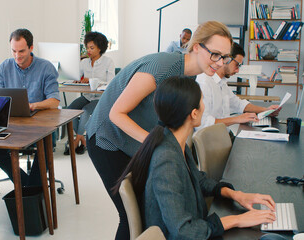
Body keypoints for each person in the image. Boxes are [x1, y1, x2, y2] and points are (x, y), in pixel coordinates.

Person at [86, 21, 234, 239]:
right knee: (130, 216)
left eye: (225, 57)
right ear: (195, 46)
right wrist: (160, 145)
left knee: (149, 211)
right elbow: (116, 114)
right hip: (107, 139)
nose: (220, 63)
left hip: (134, 140)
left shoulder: (189, 75)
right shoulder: (162, 68)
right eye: (215, 54)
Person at [115, 77, 276, 239]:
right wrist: (237, 220)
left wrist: (236, 195)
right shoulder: (166, 159)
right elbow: (183, 230)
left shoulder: (173, 140)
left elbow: (197, 179)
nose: (204, 106)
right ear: (194, 113)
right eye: (202, 101)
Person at [0, 28, 60, 186]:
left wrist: (33, 105)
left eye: (21, 51)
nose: (17, 56)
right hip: (13, 124)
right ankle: (26, 186)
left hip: (40, 126)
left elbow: (54, 101)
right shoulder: (5, 67)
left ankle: (31, 189)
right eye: (13, 51)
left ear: (31, 48)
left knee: (45, 149)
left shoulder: (46, 67)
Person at [195, 42, 280, 132]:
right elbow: (203, 124)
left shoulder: (221, 82)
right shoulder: (204, 83)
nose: (238, 70)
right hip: (213, 141)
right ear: (226, 59)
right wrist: (237, 119)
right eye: (237, 65)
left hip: (224, 135)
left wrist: (266, 110)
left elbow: (239, 104)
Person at [65, 31, 115, 155]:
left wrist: (93, 81)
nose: (88, 50)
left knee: (86, 111)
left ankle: (76, 141)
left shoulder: (108, 62)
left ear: (100, 48)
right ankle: (82, 139)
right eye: (87, 47)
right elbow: (73, 76)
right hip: (87, 96)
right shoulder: (84, 62)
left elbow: (111, 83)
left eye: (91, 48)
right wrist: (76, 79)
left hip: (100, 98)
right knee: (69, 111)